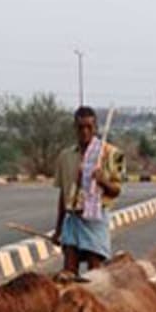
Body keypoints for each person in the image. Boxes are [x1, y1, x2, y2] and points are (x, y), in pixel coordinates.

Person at [53, 106, 125, 277]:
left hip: (95, 219)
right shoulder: (65, 156)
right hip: (73, 219)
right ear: (74, 128)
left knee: (95, 273)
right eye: (80, 128)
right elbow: (63, 195)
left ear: (96, 128)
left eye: (89, 127)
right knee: (68, 273)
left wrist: (102, 181)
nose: (85, 132)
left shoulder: (113, 154)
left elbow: (116, 190)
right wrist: (58, 229)